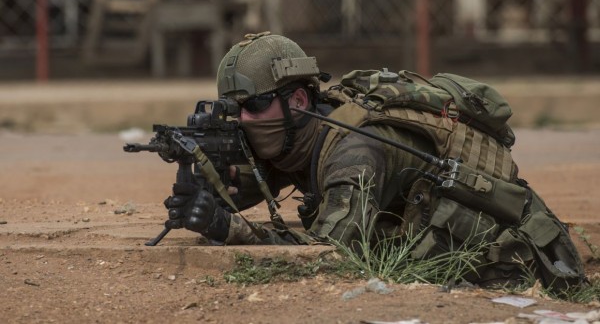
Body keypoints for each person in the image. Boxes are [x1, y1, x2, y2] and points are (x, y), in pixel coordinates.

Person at [165, 31, 585, 289]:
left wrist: (229, 229)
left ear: (296, 101)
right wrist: (205, 180)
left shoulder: (354, 150)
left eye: (252, 105)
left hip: (520, 257)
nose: (242, 119)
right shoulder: (298, 133)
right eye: (233, 109)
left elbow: (328, 257)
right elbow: (248, 187)